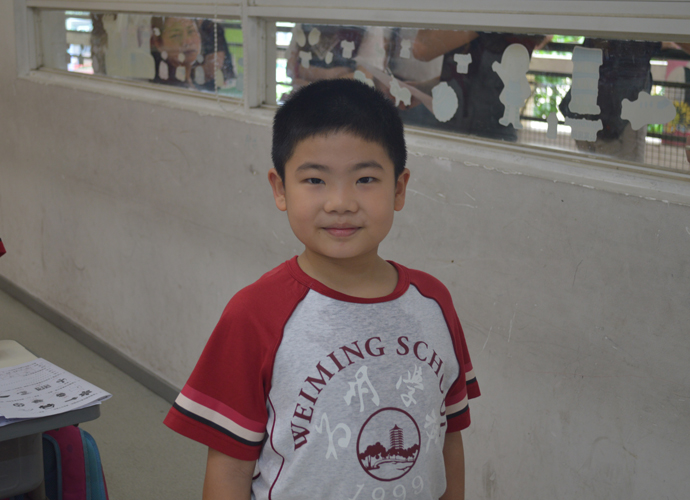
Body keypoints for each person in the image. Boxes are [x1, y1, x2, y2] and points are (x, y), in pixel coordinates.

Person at [164, 79, 480, 500]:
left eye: (365, 179)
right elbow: (229, 469)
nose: (340, 203)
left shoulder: (434, 302)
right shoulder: (254, 314)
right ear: (280, 189)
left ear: (399, 188)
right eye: (315, 180)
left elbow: (448, 435)